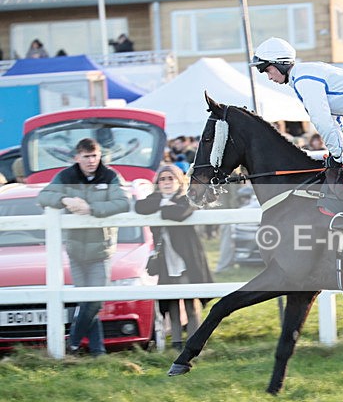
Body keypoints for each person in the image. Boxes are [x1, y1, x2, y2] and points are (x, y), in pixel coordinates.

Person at [250, 36, 343, 231]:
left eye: (267, 70)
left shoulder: (304, 80)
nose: (268, 77)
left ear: (280, 63)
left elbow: (321, 121)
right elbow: (334, 119)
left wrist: (338, 154)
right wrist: (337, 152)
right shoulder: (302, 76)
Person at [37, 138, 130, 356]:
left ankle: (73, 342)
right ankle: (98, 351)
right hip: (75, 250)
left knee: (95, 302)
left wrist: (91, 208)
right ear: (77, 157)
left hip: (101, 251)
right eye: (86, 156)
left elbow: (123, 202)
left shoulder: (110, 176)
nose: (91, 161)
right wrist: (65, 200)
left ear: (100, 156)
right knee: (86, 302)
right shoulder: (66, 176)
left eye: (94, 156)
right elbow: (44, 196)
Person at [135, 164, 213, 350]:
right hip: (165, 260)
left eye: (171, 178)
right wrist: (164, 204)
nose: (167, 182)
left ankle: (194, 343)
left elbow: (181, 213)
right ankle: (176, 344)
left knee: (190, 302)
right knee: (171, 304)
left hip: (186, 260)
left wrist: (164, 210)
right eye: (162, 179)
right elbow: (140, 207)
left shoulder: (188, 197)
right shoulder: (155, 199)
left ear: (179, 181)